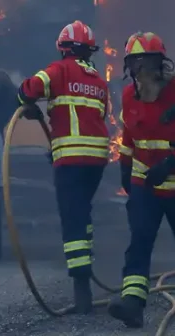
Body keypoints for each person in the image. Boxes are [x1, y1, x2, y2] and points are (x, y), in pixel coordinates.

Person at [107, 31, 175, 328]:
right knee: (139, 240)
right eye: (136, 65)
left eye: (147, 64)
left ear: (161, 65)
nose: (141, 73)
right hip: (146, 186)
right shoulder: (130, 95)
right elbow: (129, 133)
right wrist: (125, 167)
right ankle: (133, 304)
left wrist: (173, 162)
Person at [17, 20, 110, 314]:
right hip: (95, 160)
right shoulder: (98, 81)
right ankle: (88, 269)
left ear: (64, 49)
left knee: (72, 220)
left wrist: (24, 101)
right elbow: (95, 116)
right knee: (82, 213)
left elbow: (31, 88)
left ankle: (81, 289)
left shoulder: (58, 71)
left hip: (71, 160)